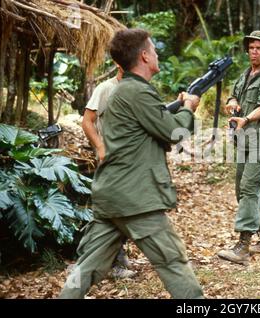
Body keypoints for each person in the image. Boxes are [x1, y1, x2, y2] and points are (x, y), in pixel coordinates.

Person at [59, 28, 204, 299]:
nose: (158, 54)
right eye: (155, 50)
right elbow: (175, 133)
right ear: (145, 56)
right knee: (172, 261)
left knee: (87, 266)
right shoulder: (137, 92)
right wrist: (188, 108)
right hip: (135, 198)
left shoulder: (122, 91)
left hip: (111, 195)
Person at [217, 31, 260, 265]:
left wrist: (246, 119)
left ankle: (243, 246)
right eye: (251, 48)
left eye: (259, 48)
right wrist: (232, 103)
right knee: (243, 189)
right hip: (244, 140)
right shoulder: (245, 75)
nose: (253, 51)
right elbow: (233, 97)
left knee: (249, 187)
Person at [81, 67, 136, 279]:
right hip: (111, 160)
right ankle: (111, 263)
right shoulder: (106, 88)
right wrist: (100, 148)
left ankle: (117, 255)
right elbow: (87, 121)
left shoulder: (136, 88)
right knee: (114, 210)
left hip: (131, 160)